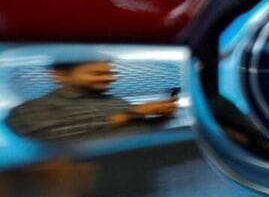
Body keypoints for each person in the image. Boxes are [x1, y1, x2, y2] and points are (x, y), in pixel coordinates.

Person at [6, 56, 177, 141]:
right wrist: (130, 114)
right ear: (60, 75)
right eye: (98, 73)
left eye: (110, 72)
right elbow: (52, 137)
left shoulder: (115, 101)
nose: (109, 78)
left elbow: (141, 130)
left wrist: (163, 115)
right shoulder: (32, 109)